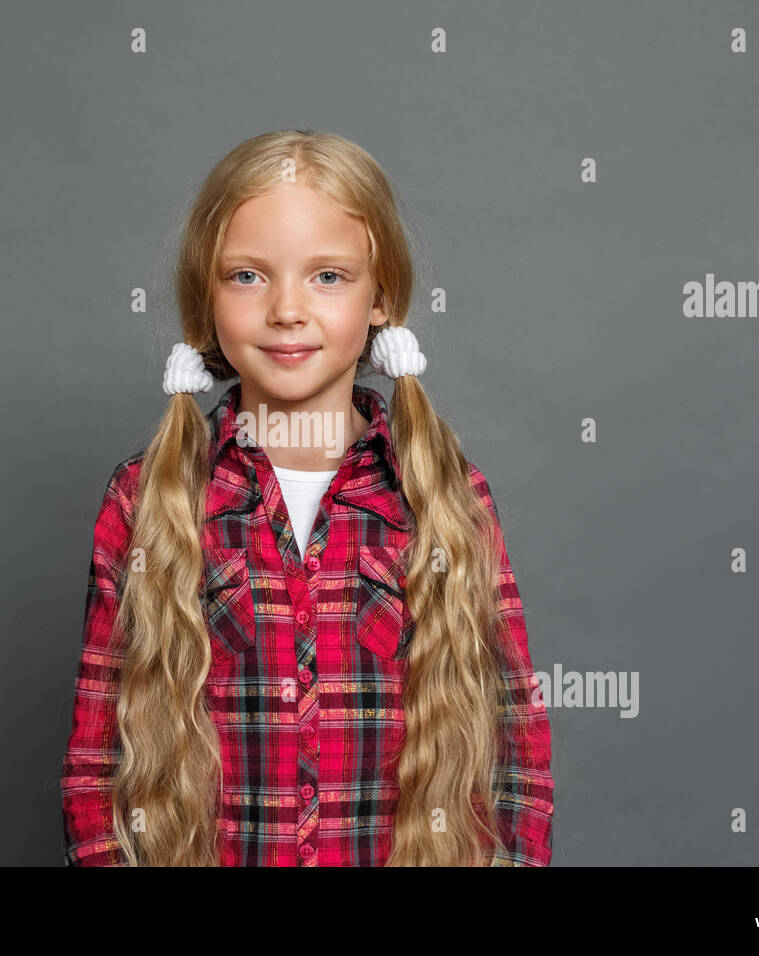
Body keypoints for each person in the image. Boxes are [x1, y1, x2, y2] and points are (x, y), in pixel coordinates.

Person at [62, 129, 553, 866]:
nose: (288, 310)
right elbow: (97, 774)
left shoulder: (447, 498)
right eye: (248, 277)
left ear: (380, 296)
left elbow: (517, 767)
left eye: (328, 276)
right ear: (207, 301)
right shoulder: (148, 499)